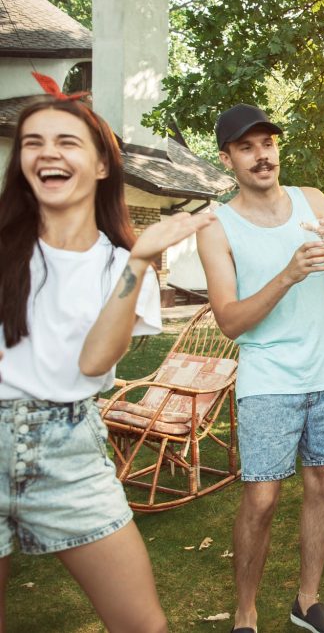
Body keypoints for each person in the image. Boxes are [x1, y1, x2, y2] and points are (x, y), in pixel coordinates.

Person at [0, 86, 216, 632]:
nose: (47, 153)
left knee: (144, 626)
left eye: (65, 142)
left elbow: (95, 362)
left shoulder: (123, 265)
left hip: (69, 451)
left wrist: (139, 260)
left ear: (101, 164)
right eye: (33, 142)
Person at [196, 104, 324, 633]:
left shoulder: (312, 200)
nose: (262, 155)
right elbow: (230, 321)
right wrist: (288, 274)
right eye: (247, 147)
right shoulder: (217, 224)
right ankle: (246, 614)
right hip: (269, 379)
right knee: (262, 496)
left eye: (268, 144)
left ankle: (306, 601)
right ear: (228, 158)